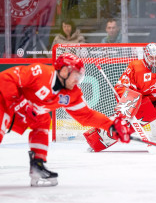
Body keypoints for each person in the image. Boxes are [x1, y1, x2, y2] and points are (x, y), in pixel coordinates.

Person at [0, 53, 130, 186]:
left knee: (43, 120)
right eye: (76, 75)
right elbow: (5, 78)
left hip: (22, 113)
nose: (77, 80)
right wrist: (20, 103)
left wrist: (111, 126)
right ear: (64, 71)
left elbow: (87, 116)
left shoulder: (72, 94)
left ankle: (37, 165)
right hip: (3, 102)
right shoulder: (40, 72)